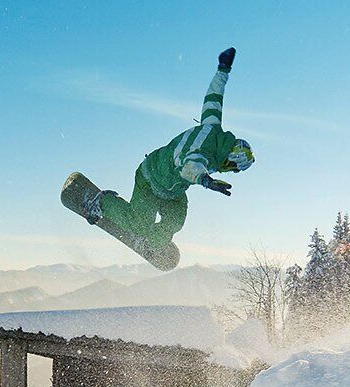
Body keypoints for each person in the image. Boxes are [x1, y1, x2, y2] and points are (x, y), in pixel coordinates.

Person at [85, 47, 254, 252]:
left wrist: (223, 69)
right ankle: (104, 202)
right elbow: (190, 165)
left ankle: (149, 242)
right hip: (150, 179)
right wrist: (206, 180)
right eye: (233, 168)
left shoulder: (213, 127)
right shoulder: (205, 152)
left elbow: (213, 98)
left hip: (172, 190)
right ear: (231, 158)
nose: (229, 171)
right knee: (139, 223)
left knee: (175, 221)